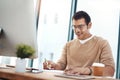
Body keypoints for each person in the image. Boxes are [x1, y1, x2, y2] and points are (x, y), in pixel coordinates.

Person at [43, 11, 115, 76]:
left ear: (89, 25)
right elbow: (61, 65)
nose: (77, 30)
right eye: (74, 27)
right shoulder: (68, 45)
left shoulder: (102, 43)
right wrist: (53, 66)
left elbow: (110, 70)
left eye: (80, 26)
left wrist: (87, 70)